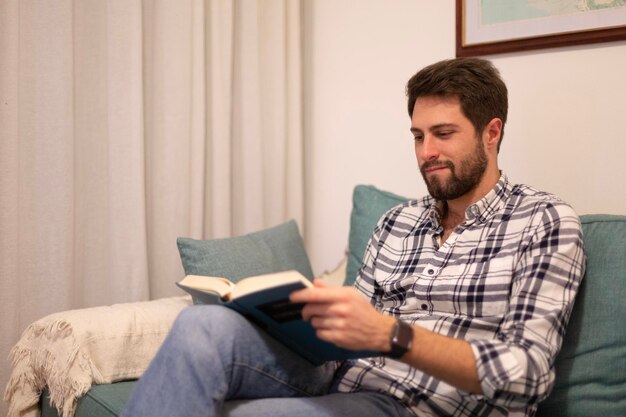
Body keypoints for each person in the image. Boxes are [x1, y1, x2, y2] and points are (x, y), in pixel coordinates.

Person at [122, 58, 585, 417]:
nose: (427, 153)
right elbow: (346, 339)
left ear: (492, 132)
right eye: (418, 136)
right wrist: (296, 318)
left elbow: (527, 374)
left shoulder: (543, 222)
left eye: (444, 134)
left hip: (416, 405)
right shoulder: (396, 221)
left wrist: (391, 335)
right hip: (337, 377)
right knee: (201, 327)